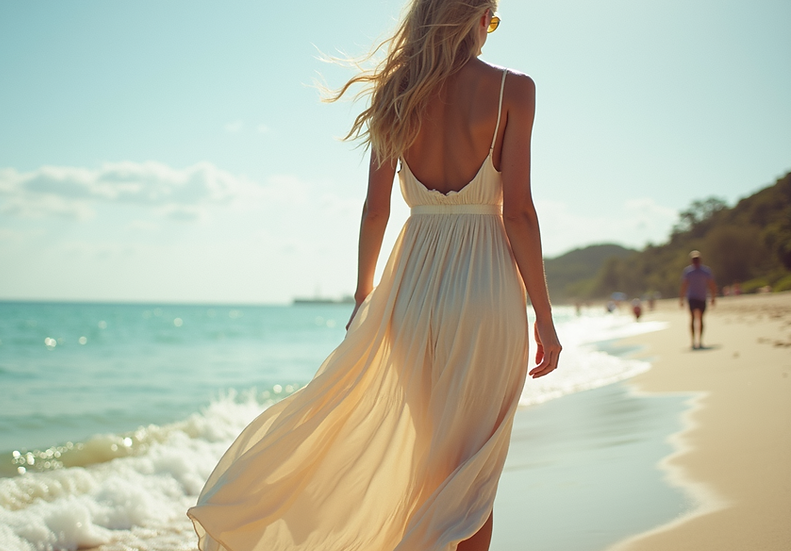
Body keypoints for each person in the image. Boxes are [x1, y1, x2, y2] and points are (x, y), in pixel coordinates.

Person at [187, 2, 561, 550]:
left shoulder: (396, 94)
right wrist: (544, 317)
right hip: (486, 289)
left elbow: (375, 210)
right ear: (475, 16)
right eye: (492, 19)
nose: (490, 31)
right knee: (472, 471)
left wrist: (365, 297)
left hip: (411, 288)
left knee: (433, 455)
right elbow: (519, 214)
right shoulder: (514, 90)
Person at [679, 250, 717, 349]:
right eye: (694, 259)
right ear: (691, 260)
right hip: (692, 297)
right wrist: (681, 299)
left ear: (700, 259)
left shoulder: (706, 271)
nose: (695, 261)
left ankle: (700, 341)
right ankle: (693, 341)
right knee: (692, 318)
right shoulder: (688, 272)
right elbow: (684, 286)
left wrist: (713, 297)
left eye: (697, 259)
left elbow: (711, 284)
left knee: (700, 318)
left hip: (702, 297)